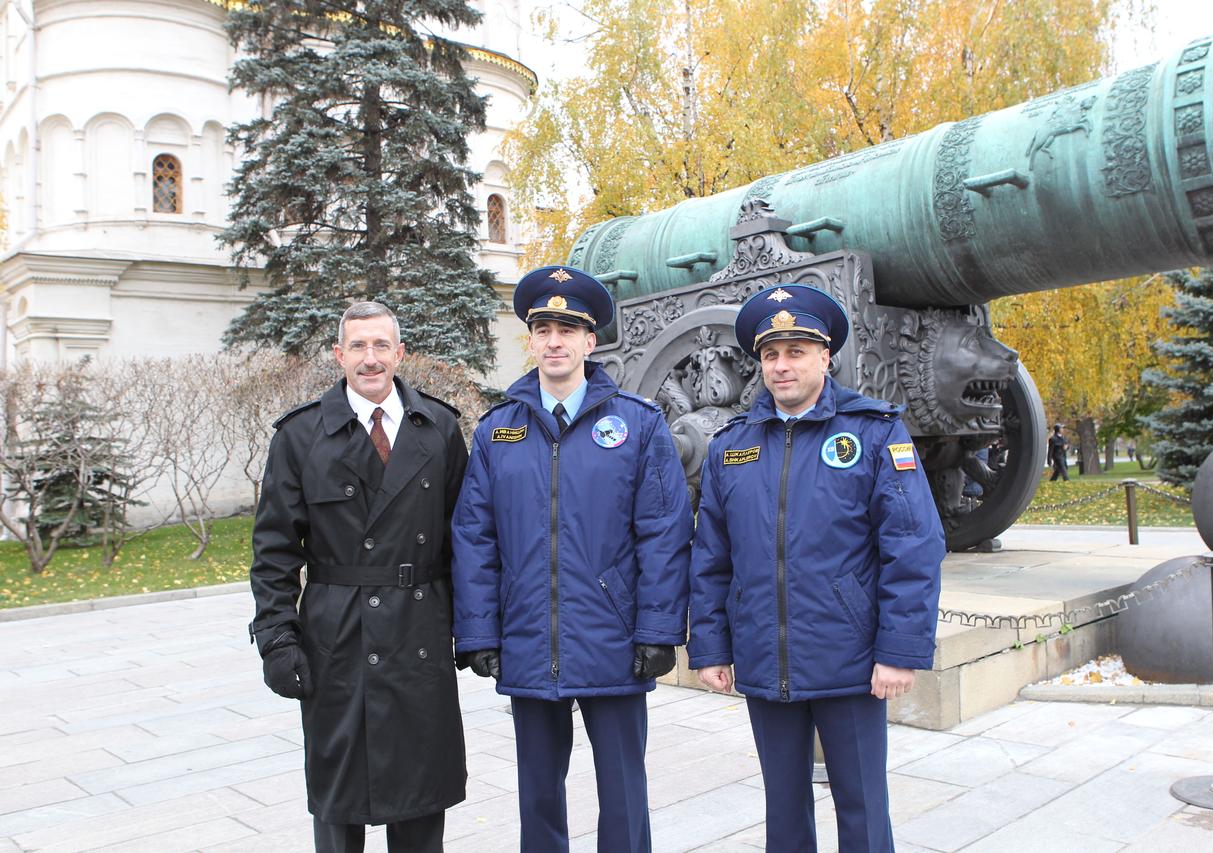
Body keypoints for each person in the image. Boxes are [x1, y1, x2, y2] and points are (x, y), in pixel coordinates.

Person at [687, 284, 944, 853]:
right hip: (763, 653)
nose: (782, 366)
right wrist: (710, 647)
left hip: (848, 657)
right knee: (783, 806)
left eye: (797, 351)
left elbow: (913, 544)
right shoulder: (733, 446)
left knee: (862, 806)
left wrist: (898, 651)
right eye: (771, 354)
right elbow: (711, 557)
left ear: (825, 356)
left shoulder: (873, 432)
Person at [451, 265, 694, 853]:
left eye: (568, 328)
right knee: (537, 792)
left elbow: (663, 532)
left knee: (623, 790)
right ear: (530, 341)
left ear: (591, 341)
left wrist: (659, 629)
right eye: (543, 328)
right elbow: (474, 535)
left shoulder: (638, 425)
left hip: (614, 640)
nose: (554, 341)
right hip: (529, 639)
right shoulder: (496, 431)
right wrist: (480, 629)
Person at [248, 301, 468, 853]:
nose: (370, 359)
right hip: (336, 638)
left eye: (381, 346)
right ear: (338, 355)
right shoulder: (300, 437)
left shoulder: (439, 428)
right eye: (358, 347)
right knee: (337, 806)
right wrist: (276, 639)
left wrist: (477, 630)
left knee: (419, 807)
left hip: (419, 631)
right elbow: (275, 549)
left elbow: (466, 540)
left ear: (400, 353)